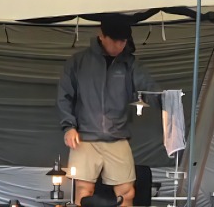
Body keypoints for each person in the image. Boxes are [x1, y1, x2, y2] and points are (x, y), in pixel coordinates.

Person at [57, 16, 159, 207]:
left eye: (124, 41)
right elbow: (64, 96)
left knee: (127, 193)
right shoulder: (78, 62)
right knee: (83, 192)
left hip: (117, 136)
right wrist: (68, 127)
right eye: (115, 40)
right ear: (101, 35)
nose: (119, 45)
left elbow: (148, 88)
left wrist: (167, 102)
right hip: (84, 138)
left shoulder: (130, 64)